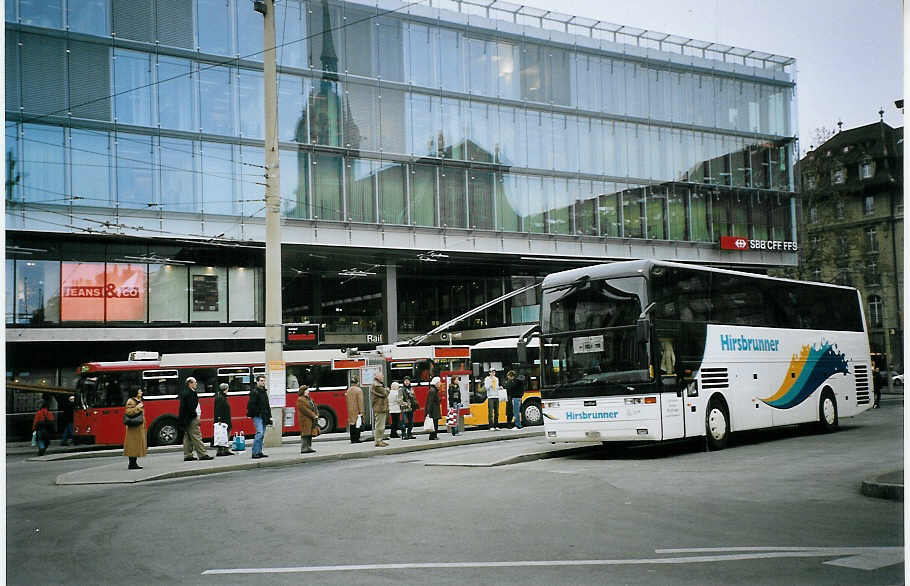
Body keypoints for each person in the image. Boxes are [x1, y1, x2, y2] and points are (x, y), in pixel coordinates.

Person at [179, 377, 213, 461]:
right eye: (195, 382)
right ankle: (202, 454)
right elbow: (191, 407)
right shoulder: (191, 393)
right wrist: (195, 415)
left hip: (186, 419)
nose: (196, 384)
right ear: (190, 383)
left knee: (188, 437)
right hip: (192, 418)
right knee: (197, 436)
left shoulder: (184, 392)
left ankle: (188, 455)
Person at [247, 375, 272, 459]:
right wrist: (255, 413)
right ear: (257, 382)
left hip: (264, 415)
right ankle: (255, 453)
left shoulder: (264, 391)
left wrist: (269, 416)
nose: (263, 382)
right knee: (259, 433)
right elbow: (251, 405)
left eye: (264, 381)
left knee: (262, 434)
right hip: (258, 416)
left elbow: (267, 405)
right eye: (261, 381)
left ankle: (259, 451)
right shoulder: (254, 392)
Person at [123, 387, 147, 470]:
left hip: (138, 427)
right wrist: (137, 408)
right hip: (133, 427)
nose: (141, 392)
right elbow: (128, 412)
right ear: (135, 392)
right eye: (140, 391)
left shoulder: (138, 400)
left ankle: (134, 463)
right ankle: (132, 463)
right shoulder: (131, 401)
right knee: (132, 445)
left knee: (136, 445)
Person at [213, 383, 233, 456]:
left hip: (224, 419)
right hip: (223, 420)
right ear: (225, 389)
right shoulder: (221, 397)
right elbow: (218, 409)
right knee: (224, 434)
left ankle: (224, 449)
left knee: (223, 434)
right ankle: (222, 450)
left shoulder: (221, 396)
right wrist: (219, 420)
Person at [297, 385, 318, 454]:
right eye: (307, 390)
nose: (308, 391)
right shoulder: (300, 399)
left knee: (309, 433)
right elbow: (305, 410)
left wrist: (316, 414)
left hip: (310, 419)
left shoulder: (308, 398)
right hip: (305, 419)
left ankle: (308, 447)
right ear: (304, 391)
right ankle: (304, 448)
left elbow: (314, 406)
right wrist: (314, 415)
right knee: (305, 433)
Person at [371, 372, 389, 447]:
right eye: (382, 376)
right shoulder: (377, 385)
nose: (383, 377)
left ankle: (380, 440)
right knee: (380, 426)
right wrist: (387, 390)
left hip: (380, 407)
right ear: (378, 377)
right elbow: (385, 393)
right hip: (380, 407)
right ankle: (378, 441)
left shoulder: (377, 384)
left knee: (381, 425)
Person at [345, 376, 365, 443]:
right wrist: (361, 411)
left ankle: (352, 439)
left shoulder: (348, 390)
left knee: (352, 424)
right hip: (357, 410)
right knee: (357, 424)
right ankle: (357, 438)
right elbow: (360, 402)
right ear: (357, 382)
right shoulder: (358, 390)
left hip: (350, 409)